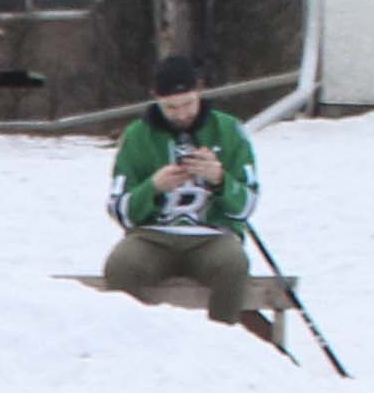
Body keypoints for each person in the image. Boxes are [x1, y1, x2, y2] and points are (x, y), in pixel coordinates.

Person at [101, 55, 273, 342]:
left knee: (233, 264)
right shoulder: (137, 136)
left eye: (188, 104)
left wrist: (219, 179)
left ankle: (222, 346)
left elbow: (247, 205)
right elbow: (120, 210)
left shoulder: (229, 131)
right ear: (155, 99)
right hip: (152, 236)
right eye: (171, 107)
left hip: (212, 236)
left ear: (200, 92)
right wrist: (153, 187)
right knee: (121, 265)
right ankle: (132, 347)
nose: (181, 114)